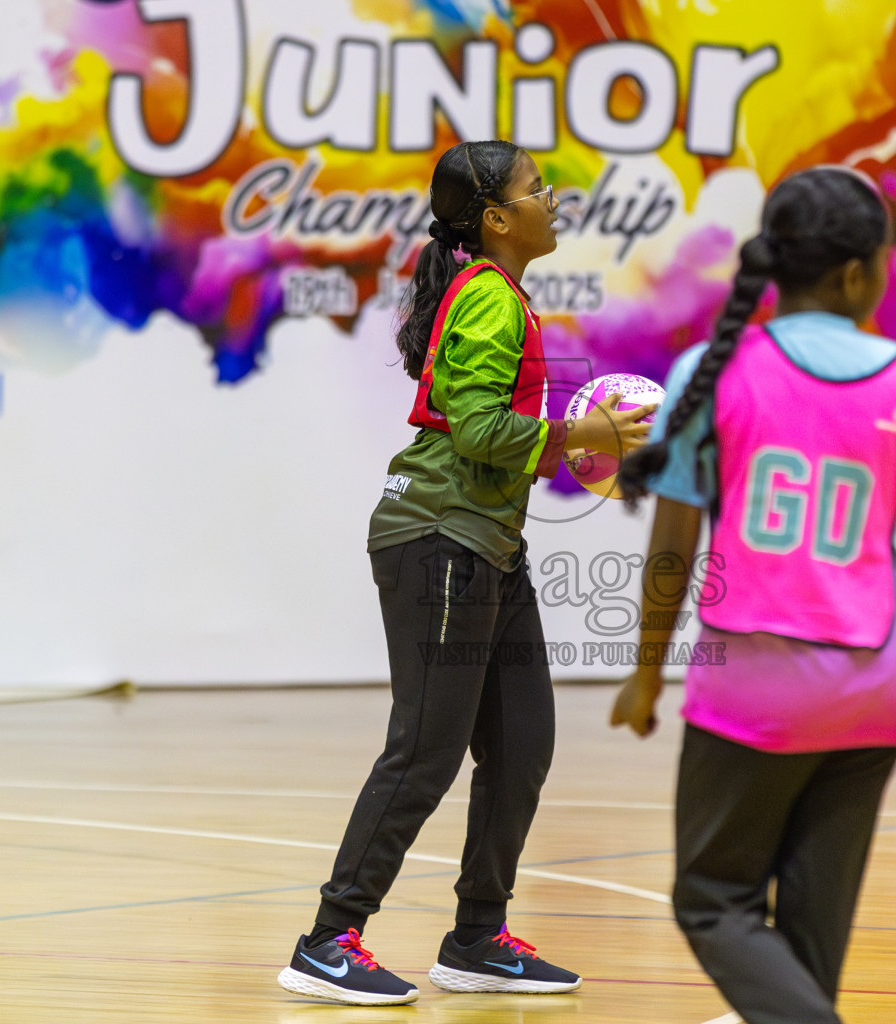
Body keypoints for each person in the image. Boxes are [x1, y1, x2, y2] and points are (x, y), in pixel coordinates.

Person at [609, 165, 896, 1024]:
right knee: (812, 946)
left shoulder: (709, 373)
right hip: (872, 699)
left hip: (750, 694)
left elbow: (672, 547)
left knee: (713, 899)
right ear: (859, 272)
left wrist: (645, 676)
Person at [277, 139, 656, 1006]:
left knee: (522, 744)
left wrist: (577, 441)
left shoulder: (498, 295)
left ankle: (478, 936)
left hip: (487, 542)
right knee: (424, 751)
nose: (550, 197)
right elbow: (480, 432)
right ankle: (328, 941)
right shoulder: (488, 300)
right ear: (494, 218)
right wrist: (585, 436)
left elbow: (491, 434)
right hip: (439, 538)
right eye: (534, 188)